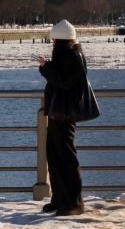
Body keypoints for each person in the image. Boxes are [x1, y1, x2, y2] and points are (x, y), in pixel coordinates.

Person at [37, 19, 87, 216]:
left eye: (54, 40)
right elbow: (60, 79)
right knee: (55, 156)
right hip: (58, 113)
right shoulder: (67, 55)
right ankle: (59, 199)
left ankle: (74, 202)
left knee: (66, 158)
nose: (52, 44)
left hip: (64, 114)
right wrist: (47, 67)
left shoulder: (73, 57)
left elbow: (64, 82)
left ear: (60, 41)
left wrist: (46, 68)